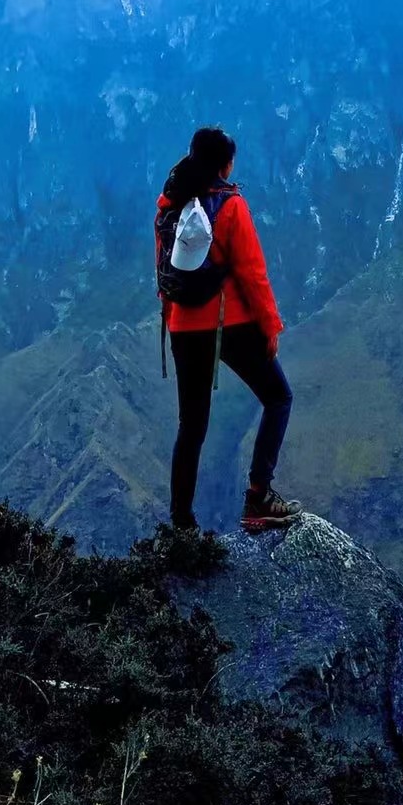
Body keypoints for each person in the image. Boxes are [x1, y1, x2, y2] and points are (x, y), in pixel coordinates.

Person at [155, 126, 300, 533]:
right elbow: (253, 274)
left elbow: (163, 272)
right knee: (278, 397)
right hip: (230, 323)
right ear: (225, 165)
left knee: (192, 425)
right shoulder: (231, 207)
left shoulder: (168, 207)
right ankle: (259, 496)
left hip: (183, 326)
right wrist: (270, 327)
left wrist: (173, 320)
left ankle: (180, 524)